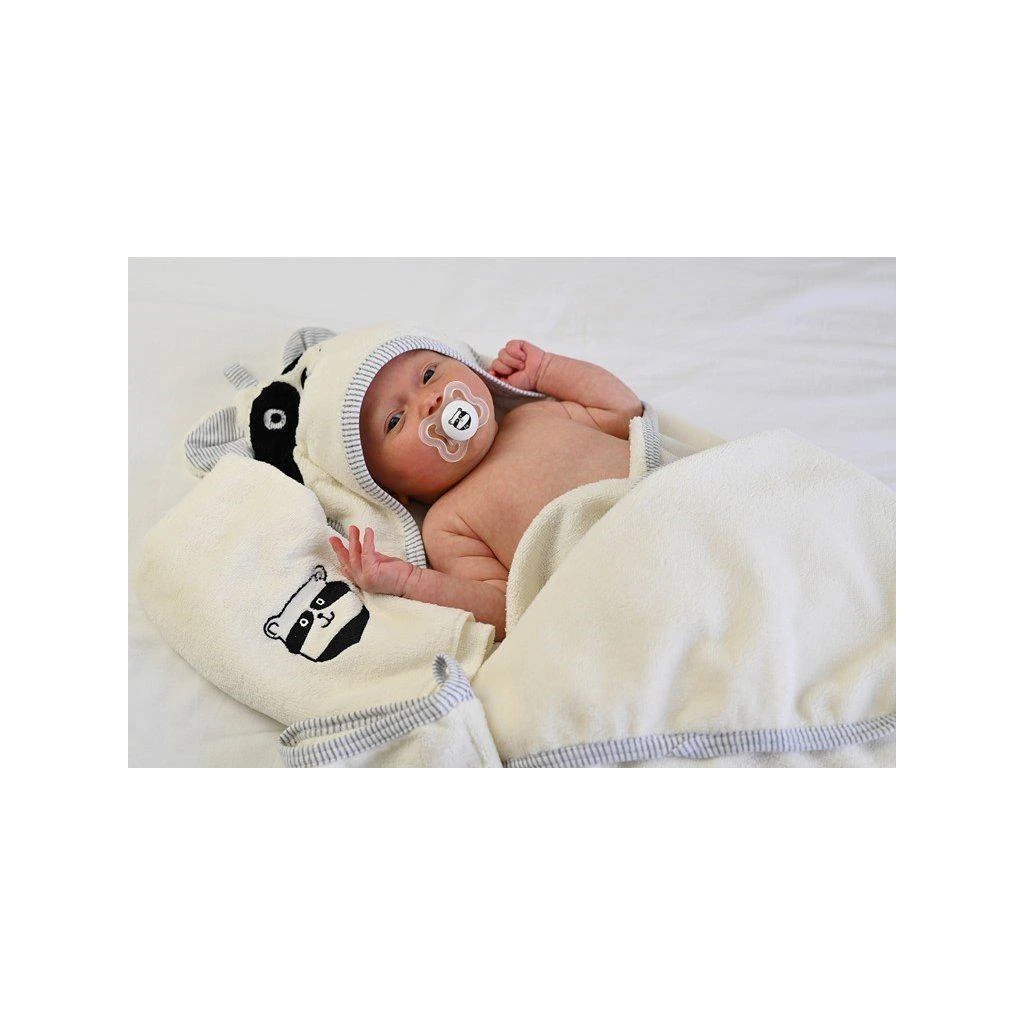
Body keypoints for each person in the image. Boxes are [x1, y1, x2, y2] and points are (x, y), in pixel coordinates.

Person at [330, 339, 642, 640]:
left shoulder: (532, 415)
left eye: (428, 374)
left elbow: (623, 409)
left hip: (658, 495)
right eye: (395, 420)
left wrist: (545, 369)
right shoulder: (447, 524)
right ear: (387, 488)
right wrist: (409, 581)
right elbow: (501, 610)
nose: (430, 400)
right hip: (614, 577)